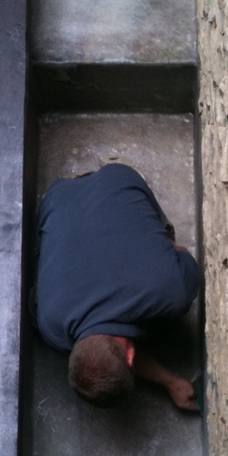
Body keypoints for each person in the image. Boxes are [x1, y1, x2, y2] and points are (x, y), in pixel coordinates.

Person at [35, 162, 200, 411]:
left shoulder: (174, 293)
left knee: (167, 244)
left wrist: (160, 254)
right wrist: (171, 382)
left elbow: (183, 254)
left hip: (121, 180)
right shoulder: (50, 324)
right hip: (60, 193)